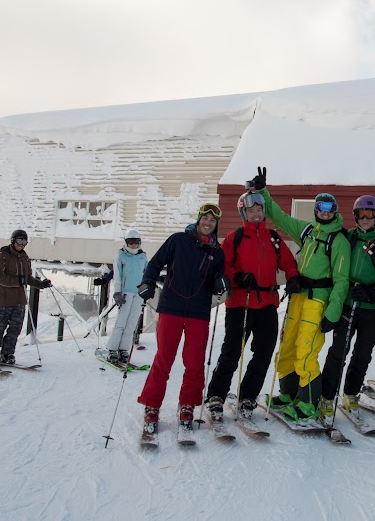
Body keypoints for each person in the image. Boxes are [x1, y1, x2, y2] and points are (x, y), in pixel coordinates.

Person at [247, 166, 351, 424]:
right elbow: (280, 219)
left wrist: (333, 311)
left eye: (329, 210)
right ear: (315, 211)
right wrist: (262, 192)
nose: (324, 213)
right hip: (299, 296)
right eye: (320, 209)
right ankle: (289, 393)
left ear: (335, 212)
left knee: (306, 349)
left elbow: (341, 280)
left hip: (318, 300)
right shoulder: (308, 231)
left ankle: (308, 402)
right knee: (288, 346)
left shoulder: (338, 240)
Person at [204, 192, 299, 421]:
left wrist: (293, 277)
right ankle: (216, 395)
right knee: (232, 351)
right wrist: (238, 277)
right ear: (243, 213)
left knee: (264, 352)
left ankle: (248, 396)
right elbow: (223, 266)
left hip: (267, 303)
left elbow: (289, 262)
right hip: (240, 302)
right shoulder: (233, 238)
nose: (256, 214)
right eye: (251, 211)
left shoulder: (274, 238)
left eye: (259, 210)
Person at [136, 204, 228, 440]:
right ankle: (152, 406)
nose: (208, 223)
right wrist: (148, 281)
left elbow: (220, 275)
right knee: (164, 359)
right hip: (172, 308)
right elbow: (155, 264)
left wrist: (220, 282)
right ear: (199, 220)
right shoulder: (178, 240)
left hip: (198, 311)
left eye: (212, 221)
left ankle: (187, 405)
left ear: (216, 225)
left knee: (194, 362)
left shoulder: (217, 252)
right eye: (205, 218)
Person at [318, 195, 375, 424]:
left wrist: (374, 293)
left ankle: (350, 393)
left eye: (369, 215)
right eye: (361, 215)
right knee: (338, 352)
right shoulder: (348, 237)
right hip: (347, 303)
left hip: (370, 307)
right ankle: (326, 396)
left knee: (362, 353)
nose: (365, 219)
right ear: (355, 217)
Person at [0, 229, 52, 368]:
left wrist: (41, 284)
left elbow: (27, 279)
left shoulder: (25, 258)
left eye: (24, 242)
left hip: (19, 301)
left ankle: (7, 354)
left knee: (14, 329)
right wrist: (17, 281)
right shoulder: (2, 257)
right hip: (3, 300)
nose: (22, 244)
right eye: (19, 241)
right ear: (13, 241)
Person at [105, 229, 148, 364]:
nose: (133, 245)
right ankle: (112, 349)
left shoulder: (143, 257)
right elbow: (118, 275)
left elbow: (145, 274)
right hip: (125, 293)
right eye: (130, 242)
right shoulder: (121, 256)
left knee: (131, 324)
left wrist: (145, 291)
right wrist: (117, 292)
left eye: (136, 242)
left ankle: (124, 349)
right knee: (121, 323)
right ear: (126, 242)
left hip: (138, 294)